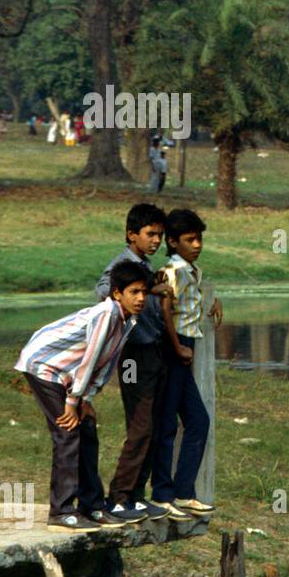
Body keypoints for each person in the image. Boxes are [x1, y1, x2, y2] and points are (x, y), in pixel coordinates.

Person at [15, 261, 149, 531]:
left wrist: (86, 400)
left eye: (144, 292)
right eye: (134, 292)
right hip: (45, 365)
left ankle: (93, 506)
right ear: (116, 293)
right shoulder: (107, 314)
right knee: (68, 432)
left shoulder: (128, 320)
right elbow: (90, 358)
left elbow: (107, 361)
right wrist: (73, 401)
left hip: (66, 374)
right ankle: (61, 510)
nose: (141, 298)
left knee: (87, 429)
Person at [95, 204, 174, 523]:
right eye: (150, 234)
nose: (156, 240)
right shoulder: (124, 264)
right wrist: (150, 288)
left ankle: (136, 495)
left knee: (151, 427)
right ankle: (118, 496)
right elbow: (103, 293)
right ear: (132, 235)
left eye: (160, 235)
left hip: (153, 352)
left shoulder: (144, 263)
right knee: (140, 427)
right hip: (133, 357)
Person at [154, 208, 221, 517]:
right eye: (190, 240)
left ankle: (184, 492)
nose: (197, 245)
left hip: (185, 347)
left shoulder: (193, 271)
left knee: (198, 421)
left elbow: (191, 300)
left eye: (199, 239)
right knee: (167, 423)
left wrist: (212, 300)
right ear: (173, 242)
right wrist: (178, 346)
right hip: (173, 348)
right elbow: (165, 308)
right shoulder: (171, 271)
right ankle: (161, 495)